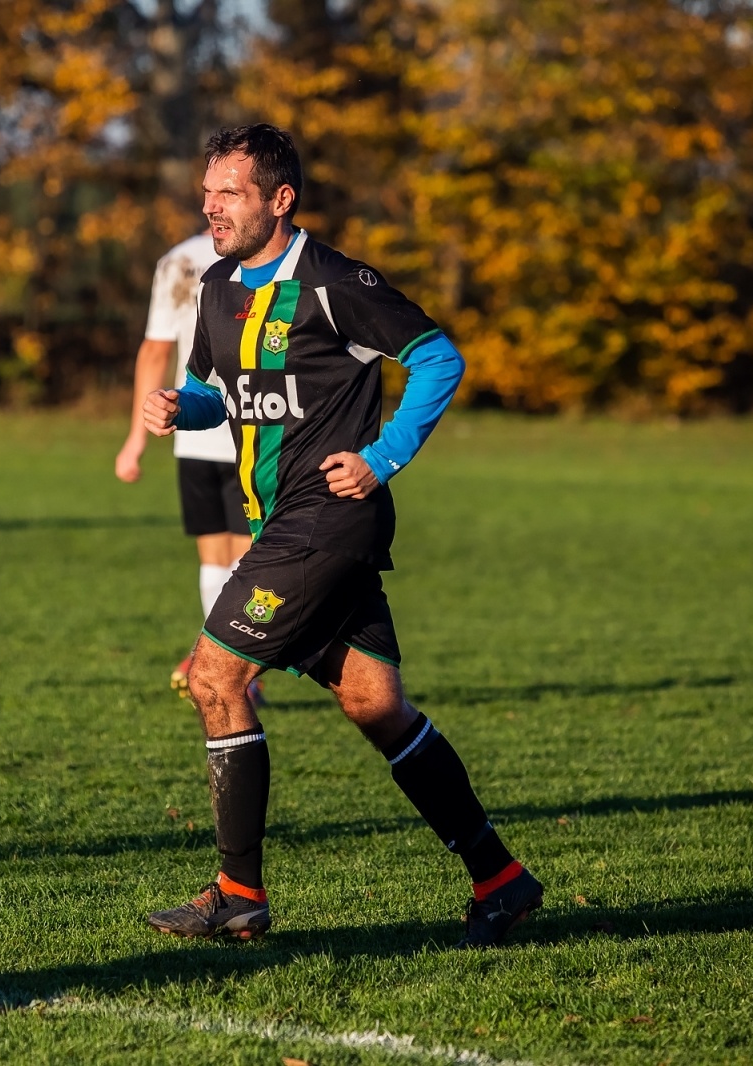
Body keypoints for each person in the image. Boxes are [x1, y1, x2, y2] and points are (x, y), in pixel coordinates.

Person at [140, 124, 542, 948]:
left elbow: (438, 359)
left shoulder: (334, 283)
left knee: (216, 677)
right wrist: (186, 408)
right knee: (374, 702)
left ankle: (237, 893)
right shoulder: (217, 287)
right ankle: (502, 880)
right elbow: (224, 395)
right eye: (206, 192)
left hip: (324, 521)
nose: (210, 207)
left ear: (280, 200)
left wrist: (384, 455)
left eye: (230, 194)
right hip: (283, 521)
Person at [114, 233, 253, 700]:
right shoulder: (269, 254)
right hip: (248, 427)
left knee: (216, 559)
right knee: (244, 559)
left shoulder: (177, 260)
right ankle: (230, 667)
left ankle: (223, 665)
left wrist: (135, 440)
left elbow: (155, 352)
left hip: (192, 430)